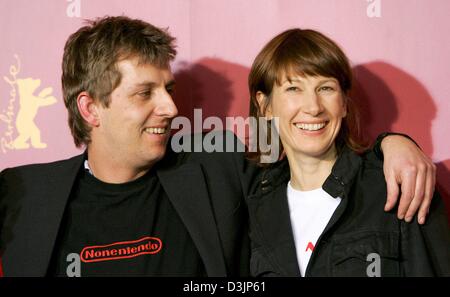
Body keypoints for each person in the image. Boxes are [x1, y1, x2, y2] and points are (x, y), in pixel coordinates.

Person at [0, 16, 438, 277]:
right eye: (144, 93)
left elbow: (308, 152)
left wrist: (391, 143)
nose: (172, 107)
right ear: (91, 108)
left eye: (168, 88)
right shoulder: (25, 195)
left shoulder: (217, 165)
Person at [246, 28, 450, 277]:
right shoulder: (254, 203)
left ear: (343, 103)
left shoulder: (398, 185)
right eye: (293, 89)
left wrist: (392, 142)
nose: (313, 107)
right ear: (264, 105)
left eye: (325, 88)